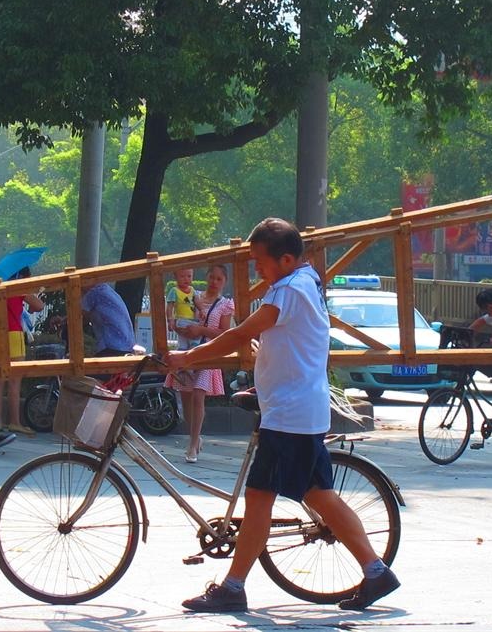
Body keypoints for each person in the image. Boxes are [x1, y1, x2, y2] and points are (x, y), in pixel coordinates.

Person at [165, 218, 399, 612]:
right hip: (295, 409)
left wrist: (186, 357)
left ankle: (234, 587)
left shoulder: (291, 289)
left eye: (261, 261)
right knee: (316, 498)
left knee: (262, 498)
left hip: (290, 417)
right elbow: (290, 345)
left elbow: (240, 333)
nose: (258, 269)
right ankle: (375, 573)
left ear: (287, 259)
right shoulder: (303, 284)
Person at [167, 264, 235, 463]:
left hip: (208, 354)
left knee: (198, 395)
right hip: (187, 352)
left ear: (225, 282)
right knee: (186, 397)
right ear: (205, 278)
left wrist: (201, 331)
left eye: (219, 279)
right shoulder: (193, 296)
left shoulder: (225, 304)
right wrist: (180, 327)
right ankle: (194, 438)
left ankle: (192, 445)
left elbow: (225, 333)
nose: (214, 282)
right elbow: (178, 314)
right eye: (211, 277)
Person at [0, 267, 44, 436]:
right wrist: (36, 294)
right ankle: (14, 422)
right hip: (13, 336)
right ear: (21, 276)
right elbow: (39, 306)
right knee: (14, 382)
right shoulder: (18, 288)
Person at [81, 283, 135, 357]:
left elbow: (77, 319)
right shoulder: (107, 290)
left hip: (111, 348)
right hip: (126, 347)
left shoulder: (94, 293)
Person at [166, 269, 200, 349]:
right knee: (189, 339)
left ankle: (184, 349)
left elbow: (197, 302)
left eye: (189, 276)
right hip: (181, 320)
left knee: (185, 343)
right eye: (182, 276)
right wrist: (170, 320)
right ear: (175, 277)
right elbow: (169, 307)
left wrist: (202, 310)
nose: (186, 279)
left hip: (192, 320)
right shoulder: (174, 291)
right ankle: (192, 346)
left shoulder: (192, 290)